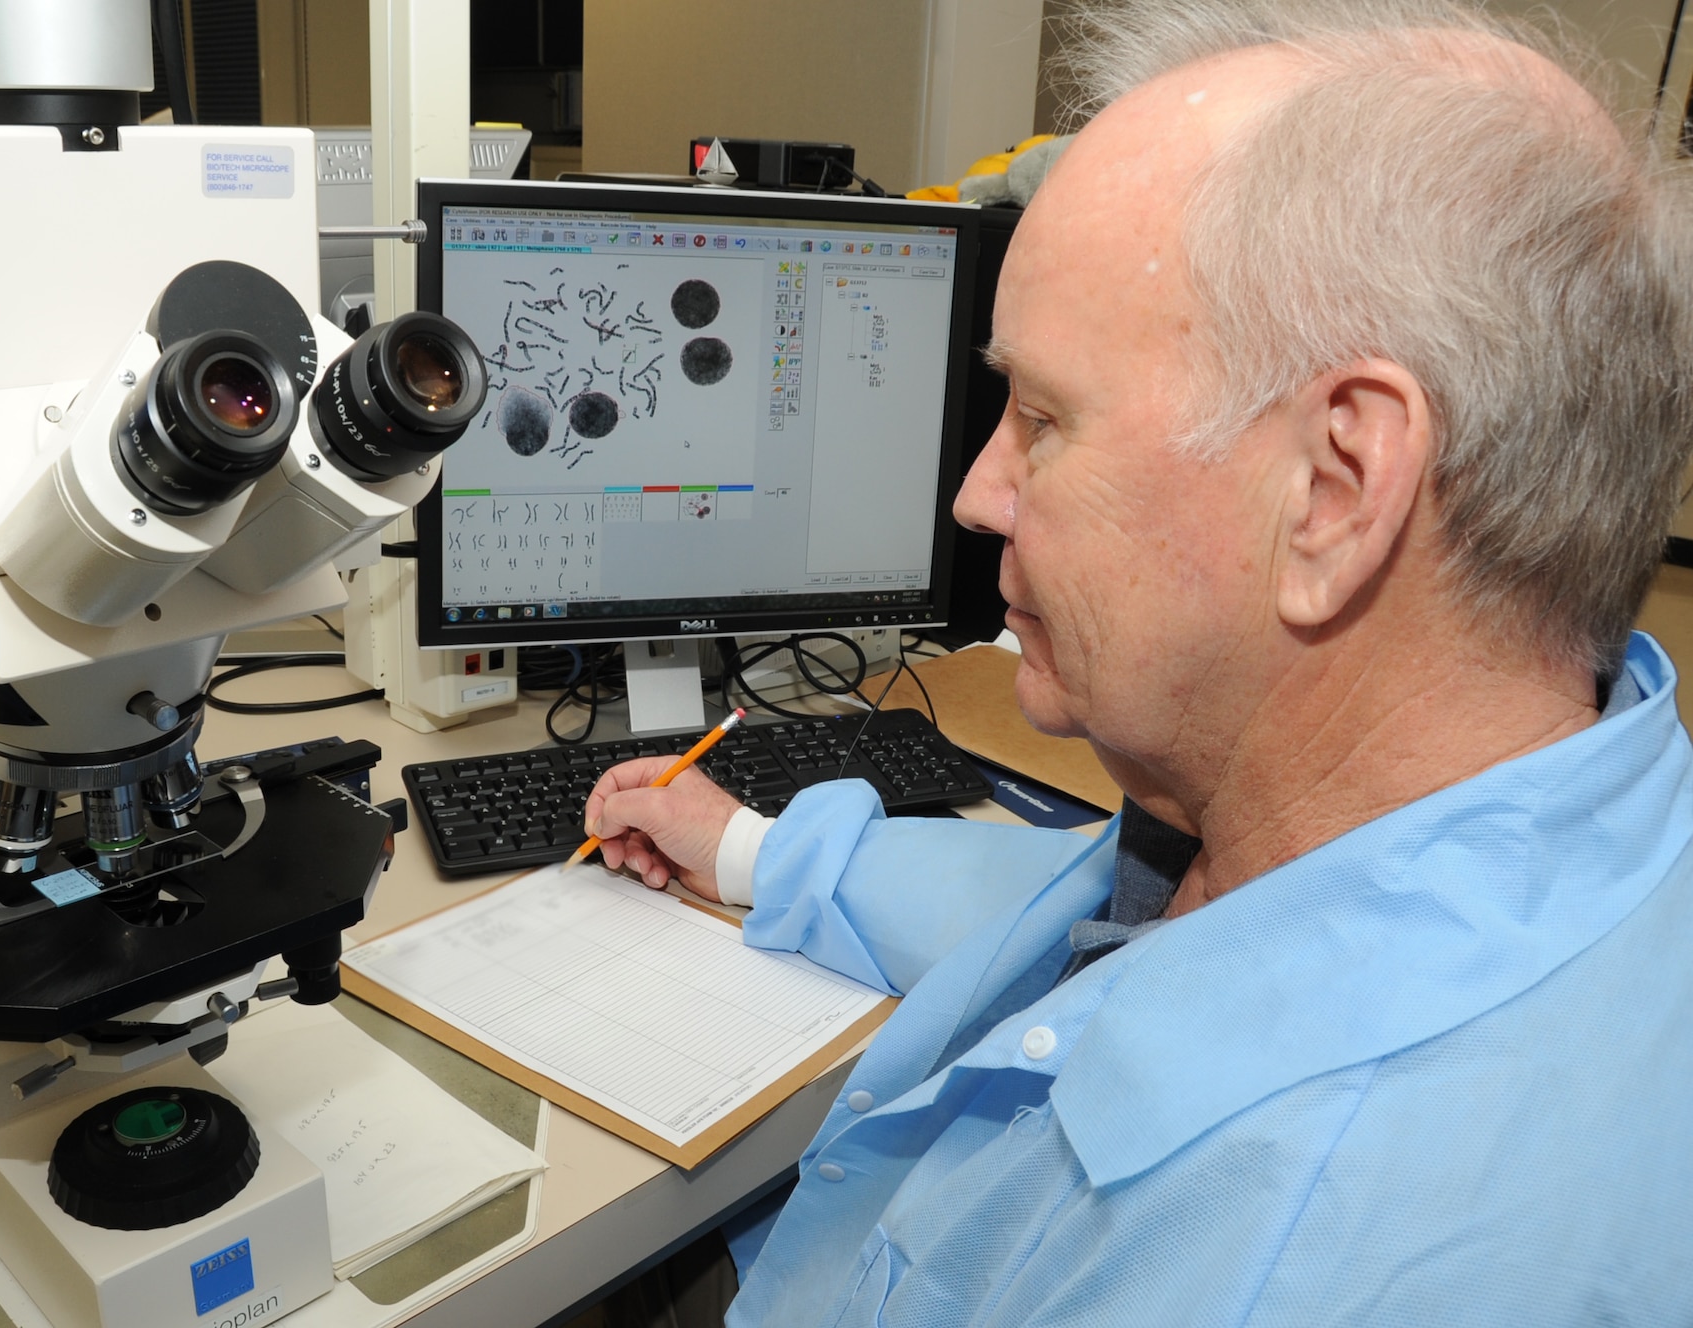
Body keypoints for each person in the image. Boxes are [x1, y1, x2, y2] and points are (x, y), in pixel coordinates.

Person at [583, 0, 1693, 1323]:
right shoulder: (1502, 809)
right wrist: (757, 850)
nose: (980, 494)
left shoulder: (1268, 1263)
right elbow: (1084, 918)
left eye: (1046, 417)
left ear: (1338, 489)